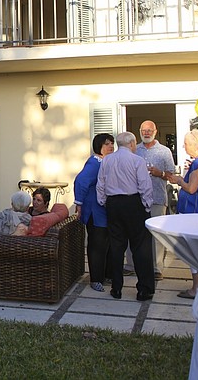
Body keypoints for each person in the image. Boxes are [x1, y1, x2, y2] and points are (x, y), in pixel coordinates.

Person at [96, 131, 154, 301]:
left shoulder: (107, 160)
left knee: (116, 246)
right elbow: (145, 185)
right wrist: (147, 204)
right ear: (132, 143)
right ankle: (144, 289)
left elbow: (101, 184)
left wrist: (103, 202)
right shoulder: (137, 160)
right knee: (141, 247)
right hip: (133, 203)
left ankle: (116, 288)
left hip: (113, 204)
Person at [164, 128, 198, 299]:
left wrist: (179, 180)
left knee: (194, 251)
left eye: (186, 143)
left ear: (194, 145)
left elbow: (192, 189)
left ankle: (196, 288)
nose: (183, 146)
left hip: (195, 213)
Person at [134, 119, 175, 281]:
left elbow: (171, 176)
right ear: (140, 132)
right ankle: (133, 266)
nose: (146, 133)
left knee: (156, 235)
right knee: (136, 233)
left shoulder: (164, 151)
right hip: (137, 198)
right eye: (143, 130)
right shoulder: (134, 150)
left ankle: (157, 268)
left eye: (149, 130)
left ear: (155, 132)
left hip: (157, 197)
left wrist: (160, 173)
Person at [74, 132, 115, 292]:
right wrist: (79, 204)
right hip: (95, 212)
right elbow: (81, 181)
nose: (111, 146)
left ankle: (107, 275)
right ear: (99, 146)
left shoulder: (107, 162)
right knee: (97, 245)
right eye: (107, 144)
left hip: (105, 211)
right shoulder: (94, 163)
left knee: (108, 244)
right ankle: (96, 279)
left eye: (112, 143)